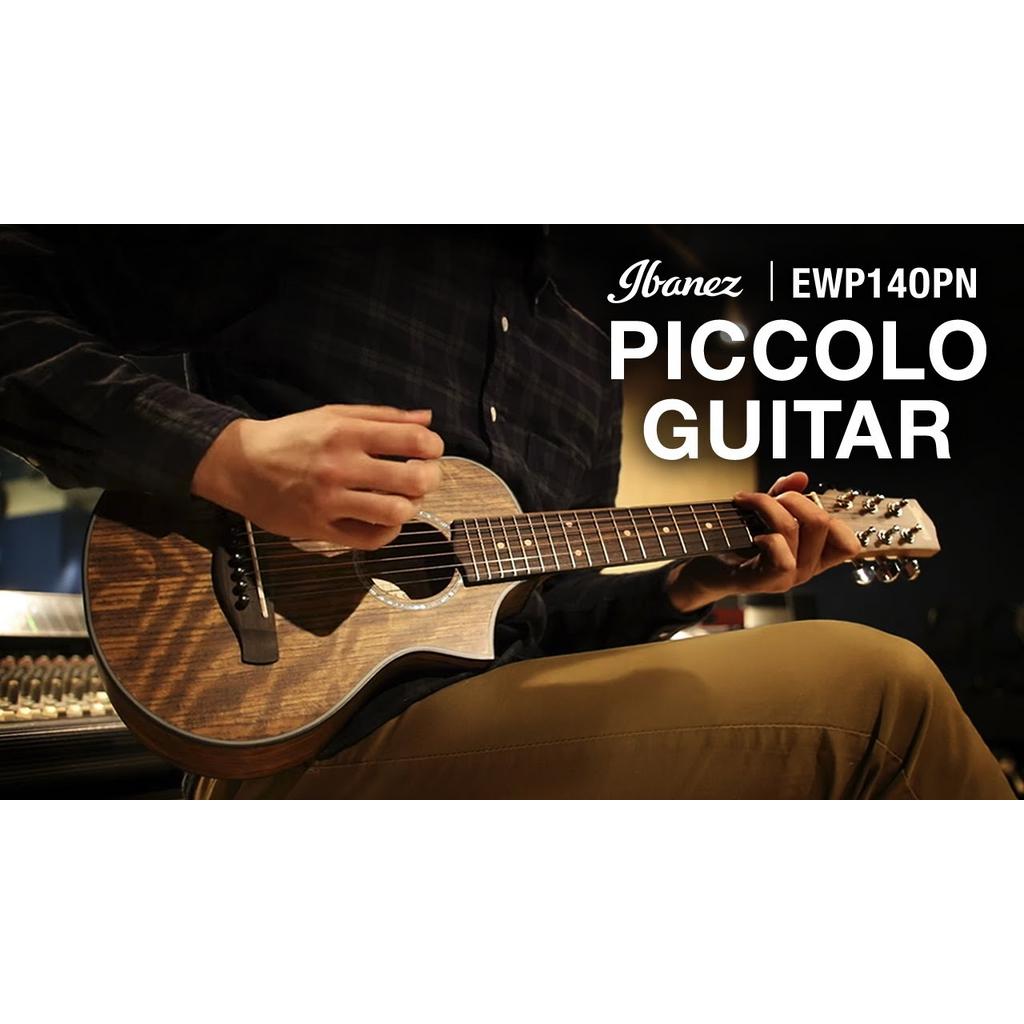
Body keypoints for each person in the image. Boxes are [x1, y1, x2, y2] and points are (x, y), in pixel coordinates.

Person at [0, 226, 1012, 798]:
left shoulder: (581, 357)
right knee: (883, 693)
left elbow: (535, 620)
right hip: (293, 738)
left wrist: (690, 581)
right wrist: (230, 456)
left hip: (494, 721)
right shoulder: (310, 229)